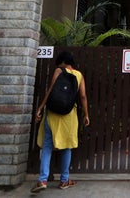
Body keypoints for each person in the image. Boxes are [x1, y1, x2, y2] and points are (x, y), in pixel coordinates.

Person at [31, 51, 90, 192]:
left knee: (47, 146)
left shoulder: (58, 70)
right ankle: (64, 180)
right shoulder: (79, 75)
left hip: (52, 113)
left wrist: (40, 107)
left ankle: (42, 180)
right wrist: (86, 114)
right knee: (67, 147)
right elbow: (83, 97)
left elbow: (50, 90)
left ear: (63, 62)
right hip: (69, 115)